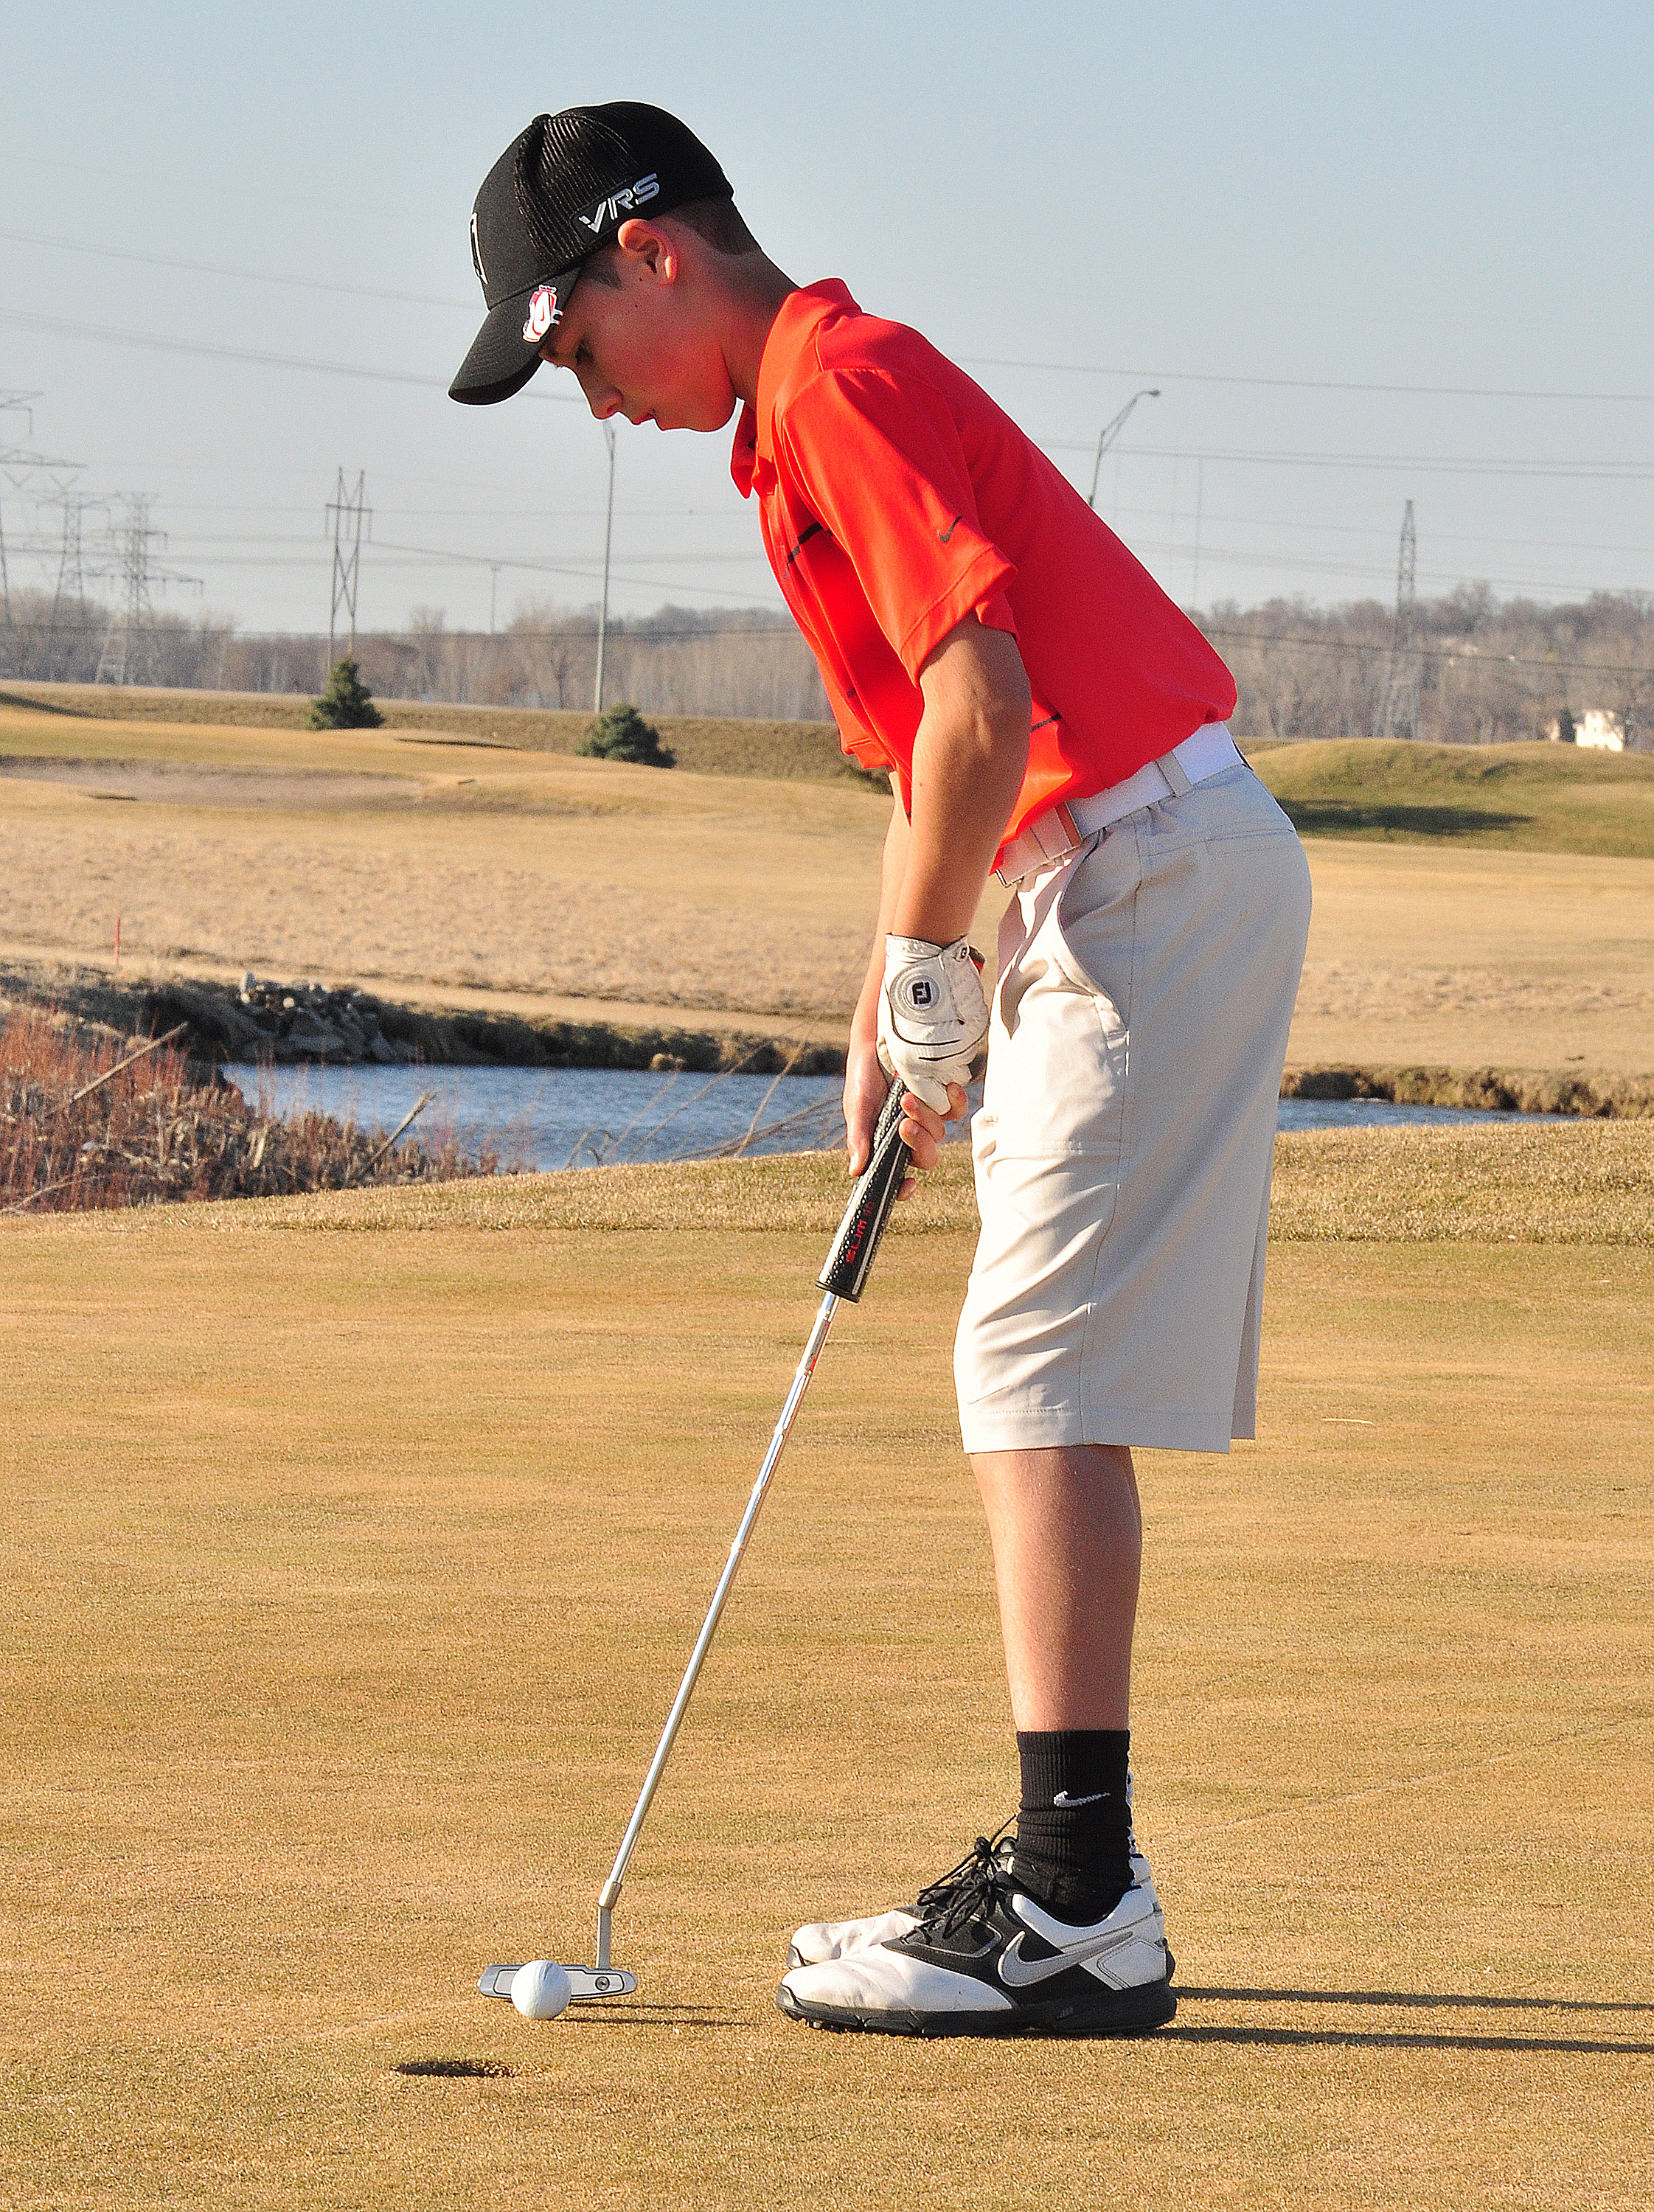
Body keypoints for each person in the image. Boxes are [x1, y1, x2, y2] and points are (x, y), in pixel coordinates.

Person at [451, 101, 1312, 2038]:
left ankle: (1077, 1902)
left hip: (1145, 860)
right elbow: (953, 740)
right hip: (1102, 866)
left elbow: (989, 697)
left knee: (1032, 1360)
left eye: (575, 348)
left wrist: (933, 963)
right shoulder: (798, 420)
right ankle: (1068, 1877)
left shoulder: (838, 379)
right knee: (1036, 1360)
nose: (588, 401)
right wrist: (905, 976)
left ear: (649, 252)